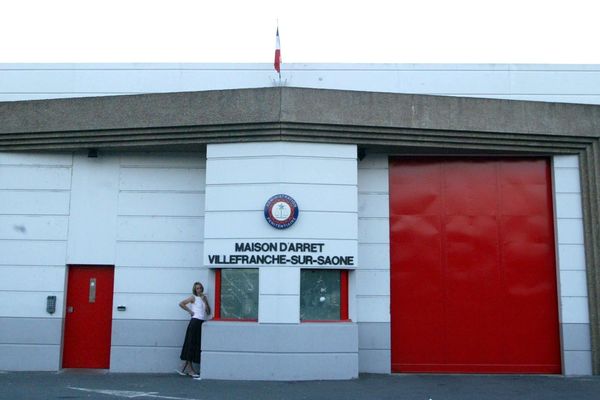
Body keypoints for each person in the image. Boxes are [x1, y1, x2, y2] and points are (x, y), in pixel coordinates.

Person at [177, 281, 211, 378]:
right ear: (194, 289)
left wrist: (205, 302)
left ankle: (185, 367)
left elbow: (208, 312)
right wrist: (190, 311)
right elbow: (181, 303)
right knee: (191, 344)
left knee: (196, 344)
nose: (199, 290)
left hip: (200, 322)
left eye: (200, 288)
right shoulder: (193, 297)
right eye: (197, 288)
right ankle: (190, 369)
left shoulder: (204, 298)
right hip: (194, 321)